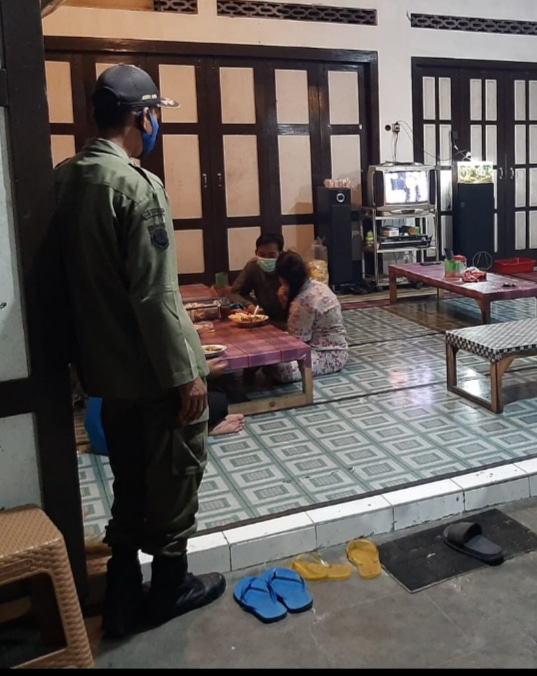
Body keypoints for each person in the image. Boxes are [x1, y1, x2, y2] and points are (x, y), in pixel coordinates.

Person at [53, 64, 225, 639]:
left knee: (127, 480)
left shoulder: (64, 178)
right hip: (151, 370)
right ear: (140, 117)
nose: (154, 125)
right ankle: (170, 588)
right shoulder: (136, 186)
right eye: (153, 115)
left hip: (104, 373)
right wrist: (186, 374)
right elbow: (155, 294)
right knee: (176, 472)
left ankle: (122, 596)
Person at [266, 250, 349, 383]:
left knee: (280, 366)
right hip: (334, 348)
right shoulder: (317, 285)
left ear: (283, 279)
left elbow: (296, 343)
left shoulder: (303, 303)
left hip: (328, 354)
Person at [221, 232, 287, 324]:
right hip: (262, 317)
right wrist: (250, 305)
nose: (266, 259)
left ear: (281, 253)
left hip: (288, 320)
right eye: (262, 255)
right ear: (256, 253)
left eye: (272, 255)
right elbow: (235, 292)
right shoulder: (253, 266)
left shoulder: (289, 267)